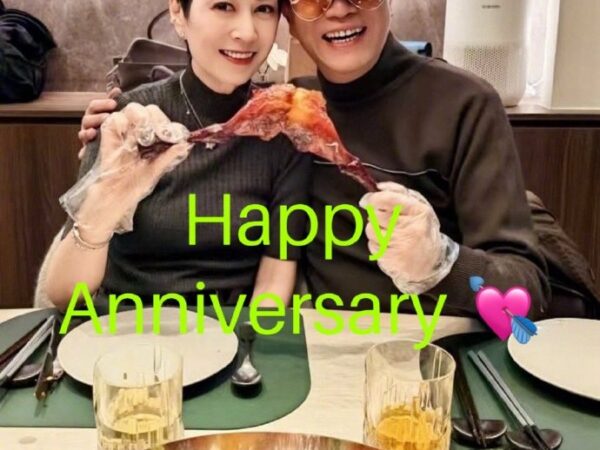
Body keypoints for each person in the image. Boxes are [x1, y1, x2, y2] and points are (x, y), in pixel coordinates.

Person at [75, 0, 588, 319]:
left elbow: (528, 289)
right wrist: (119, 122)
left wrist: (440, 263)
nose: (339, 10)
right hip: (314, 349)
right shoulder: (285, 110)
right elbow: (208, 93)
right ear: (290, 19)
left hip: (437, 351)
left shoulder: (463, 104)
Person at [40, 0, 311, 311]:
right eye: (224, 6)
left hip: (229, 330)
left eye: (263, 9)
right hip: (123, 326)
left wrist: (249, 333)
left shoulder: (284, 130)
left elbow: (276, 274)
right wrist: (108, 200)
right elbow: (64, 294)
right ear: (178, 14)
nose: (247, 32)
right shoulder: (130, 120)